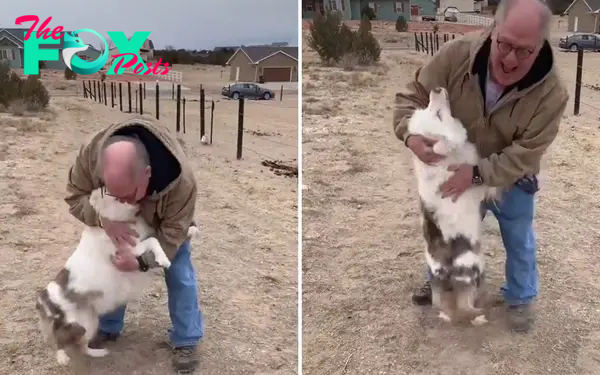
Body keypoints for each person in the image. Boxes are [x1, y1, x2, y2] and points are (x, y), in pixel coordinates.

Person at [393, 0, 568, 333]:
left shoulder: (552, 93)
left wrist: (476, 174)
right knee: (445, 230)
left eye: (525, 51)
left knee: (518, 238)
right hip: (456, 169)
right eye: (505, 44)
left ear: (542, 45)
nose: (511, 58)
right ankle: (440, 283)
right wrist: (410, 133)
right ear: (493, 28)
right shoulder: (456, 55)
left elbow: (527, 152)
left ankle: (520, 298)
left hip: (511, 176)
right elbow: (411, 96)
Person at [64, 118, 203, 373]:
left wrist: (141, 262)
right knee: (115, 266)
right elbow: (75, 196)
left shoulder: (182, 183)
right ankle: (108, 327)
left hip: (165, 223)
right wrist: (104, 219)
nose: (124, 202)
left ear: (148, 174)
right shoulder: (91, 154)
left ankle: (186, 339)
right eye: (115, 193)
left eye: (128, 195)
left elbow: (173, 235)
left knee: (179, 272)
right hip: (121, 225)